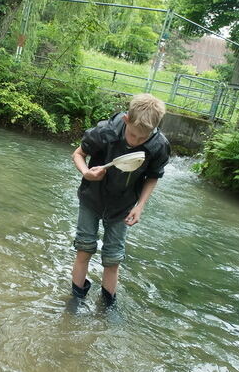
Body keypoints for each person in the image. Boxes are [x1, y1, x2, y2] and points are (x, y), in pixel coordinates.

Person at [70, 93, 169, 307]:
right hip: (91, 198)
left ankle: (107, 307)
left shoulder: (158, 145)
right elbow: (78, 154)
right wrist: (86, 172)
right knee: (84, 248)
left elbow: (153, 176)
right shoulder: (105, 132)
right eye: (133, 135)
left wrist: (140, 206)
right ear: (126, 120)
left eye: (143, 138)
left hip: (123, 206)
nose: (136, 142)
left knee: (113, 258)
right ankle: (75, 299)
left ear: (153, 130)